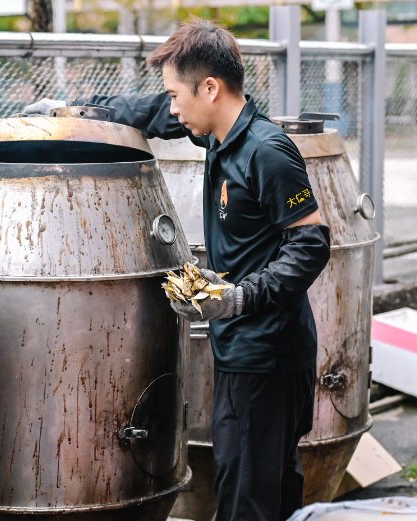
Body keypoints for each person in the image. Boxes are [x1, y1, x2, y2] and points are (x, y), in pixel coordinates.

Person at [23, 19, 330, 521]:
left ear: (210, 88)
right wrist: (75, 113)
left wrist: (240, 297)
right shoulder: (222, 137)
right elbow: (150, 114)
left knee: (248, 495)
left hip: (267, 354)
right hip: (249, 348)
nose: (171, 107)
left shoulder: (266, 151)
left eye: (175, 94)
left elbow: (312, 243)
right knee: (269, 485)